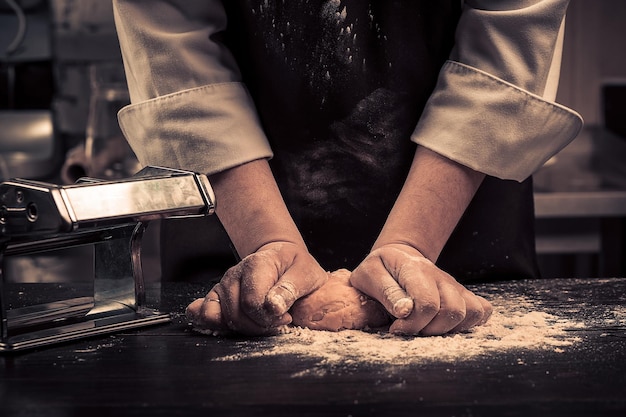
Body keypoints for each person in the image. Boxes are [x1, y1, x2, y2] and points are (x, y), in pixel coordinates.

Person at [112, 0, 583, 336]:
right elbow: (174, 51)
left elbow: (510, 32)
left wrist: (412, 244)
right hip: (237, 217)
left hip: (457, 212)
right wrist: (267, 243)